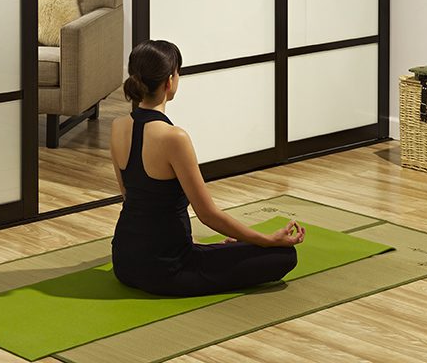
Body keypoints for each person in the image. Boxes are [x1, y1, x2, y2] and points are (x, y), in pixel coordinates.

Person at [110, 39, 305, 296]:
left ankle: (212, 251)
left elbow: (131, 198)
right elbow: (208, 215)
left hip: (124, 262)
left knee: (226, 250)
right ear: (170, 81)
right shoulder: (173, 137)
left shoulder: (118, 126)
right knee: (284, 256)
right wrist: (267, 239)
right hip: (166, 270)